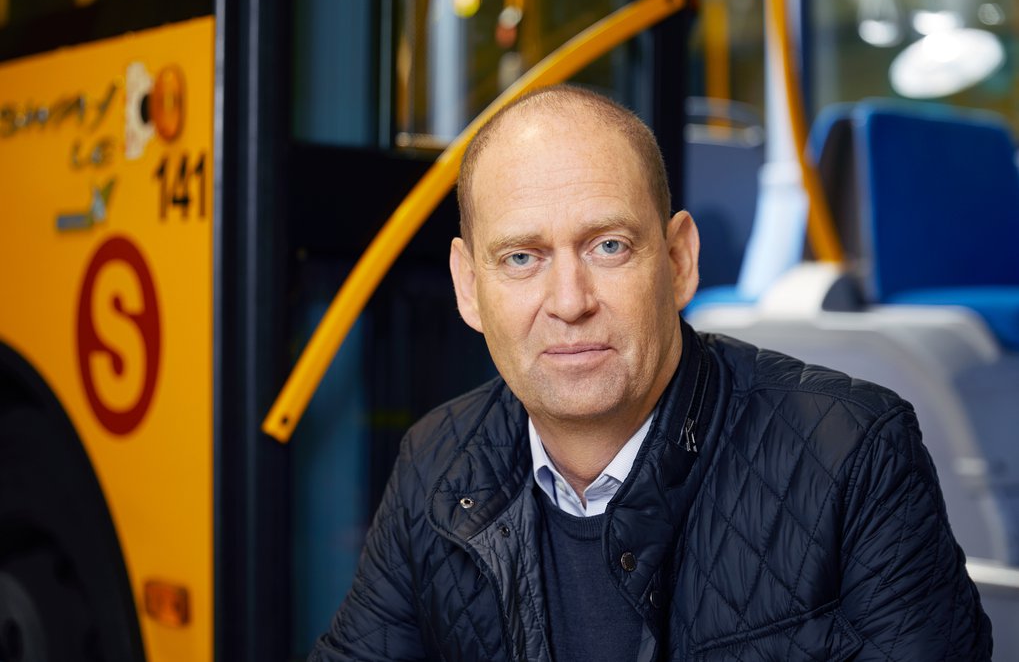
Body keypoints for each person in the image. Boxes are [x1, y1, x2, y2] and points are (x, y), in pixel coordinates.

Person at [310, 85, 991, 661]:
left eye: (608, 246)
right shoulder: (435, 461)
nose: (569, 301)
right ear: (467, 286)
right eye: (521, 257)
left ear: (678, 261)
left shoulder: (854, 453)